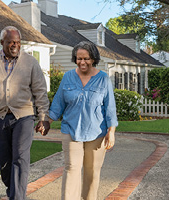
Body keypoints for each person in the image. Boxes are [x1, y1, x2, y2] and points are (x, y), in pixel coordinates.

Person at [0, 26, 50, 200]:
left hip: (24, 116)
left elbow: (40, 92)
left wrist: (44, 117)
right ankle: (13, 193)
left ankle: (16, 197)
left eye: (18, 42)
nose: (15, 45)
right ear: (2, 43)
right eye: (11, 42)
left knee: (20, 157)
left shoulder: (30, 63)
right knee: (4, 162)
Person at [43, 41, 118, 200]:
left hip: (96, 132)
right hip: (71, 130)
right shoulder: (68, 77)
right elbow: (58, 103)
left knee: (92, 172)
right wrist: (47, 121)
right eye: (79, 58)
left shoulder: (103, 79)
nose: (82, 62)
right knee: (71, 169)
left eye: (86, 59)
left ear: (93, 59)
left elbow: (110, 107)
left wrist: (111, 132)